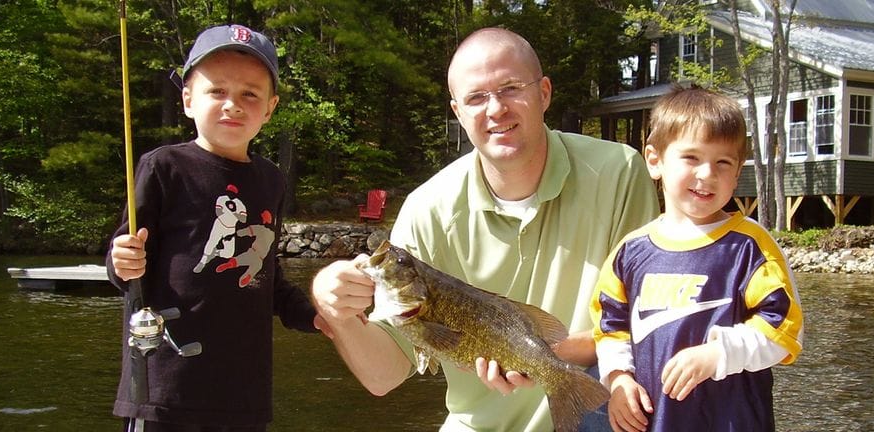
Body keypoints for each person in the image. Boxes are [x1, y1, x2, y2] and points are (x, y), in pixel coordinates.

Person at [309, 27, 659, 431]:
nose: (496, 109)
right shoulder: (428, 209)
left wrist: (538, 354)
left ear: (544, 93)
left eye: (511, 88)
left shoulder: (618, 172)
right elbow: (383, 376)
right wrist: (338, 312)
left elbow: (647, 319)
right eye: (476, 97)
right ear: (458, 112)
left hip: (596, 414)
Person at [106, 24, 320, 432]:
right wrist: (122, 261)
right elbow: (122, 265)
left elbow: (265, 277)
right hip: (165, 392)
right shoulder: (163, 166)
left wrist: (314, 316)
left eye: (249, 94)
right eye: (216, 91)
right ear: (188, 100)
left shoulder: (271, 179)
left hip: (244, 396)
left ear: (270, 108)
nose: (233, 105)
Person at [590, 86, 804, 432]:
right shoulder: (630, 252)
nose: (707, 174)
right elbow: (610, 329)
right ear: (654, 160)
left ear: (737, 173)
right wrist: (618, 380)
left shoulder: (749, 247)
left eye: (723, 162)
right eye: (691, 158)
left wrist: (718, 355)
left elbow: (784, 330)